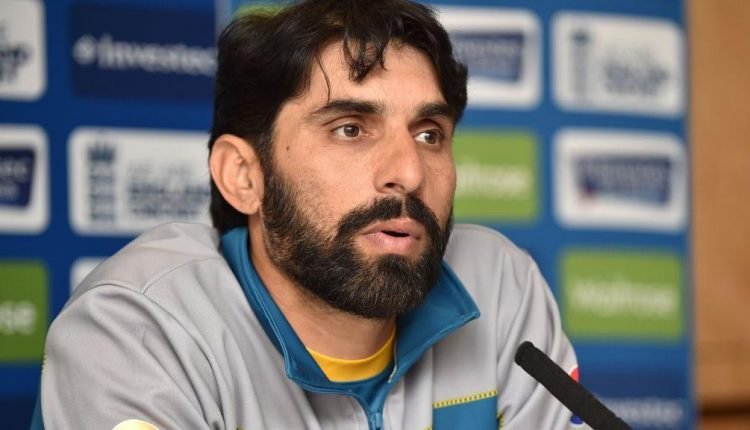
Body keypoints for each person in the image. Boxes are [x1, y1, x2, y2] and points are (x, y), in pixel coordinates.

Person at [38, 0, 580, 428]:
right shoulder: (138, 328)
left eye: (428, 134)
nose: (409, 172)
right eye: (351, 128)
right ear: (244, 176)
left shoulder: (500, 285)